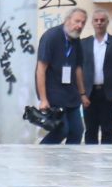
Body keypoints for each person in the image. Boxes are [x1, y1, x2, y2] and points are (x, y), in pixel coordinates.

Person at [35, 8, 89, 144]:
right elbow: (40, 69)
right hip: (53, 94)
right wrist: (43, 99)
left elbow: (78, 68)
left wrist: (82, 94)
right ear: (67, 20)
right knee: (61, 129)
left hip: (71, 94)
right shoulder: (51, 37)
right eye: (77, 21)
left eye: (83, 23)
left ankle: (69, 162)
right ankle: (41, 155)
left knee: (77, 131)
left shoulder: (76, 40)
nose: (80, 26)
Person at [81, 9, 112, 144]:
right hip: (89, 93)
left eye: (102, 20)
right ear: (92, 23)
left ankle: (107, 158)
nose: (99, 23)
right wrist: (81, 93)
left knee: (108, 129)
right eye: (96, 20)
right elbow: (78, 70)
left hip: (109, 92)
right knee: (90, 129)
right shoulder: (84, 43)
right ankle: (90, 159)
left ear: (107, 22)